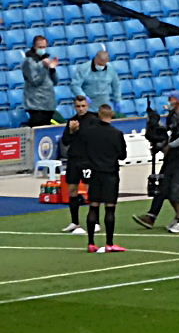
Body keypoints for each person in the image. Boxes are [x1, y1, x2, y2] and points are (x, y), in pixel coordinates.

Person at [132, 91, 179, 232]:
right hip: (173, 156)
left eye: (172, 98)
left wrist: (170, 145)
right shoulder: (172, 115)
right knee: (167, 186)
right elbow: (169, 133)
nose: (169, 100)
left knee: (177, 188)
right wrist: (160, 144)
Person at [80, 104, 128, 254]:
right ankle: (109, 243)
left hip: (95, 172)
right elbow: (122, 155)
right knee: (110, 208)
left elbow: (84, 151)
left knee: (93, 207)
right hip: (110, 173)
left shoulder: (89, 133)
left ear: (99, 115)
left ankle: (91, 243)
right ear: (111, 115)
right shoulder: (116, 133)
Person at [59, 95, 96, 235]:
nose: (81, 109)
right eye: (78, 106)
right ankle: (75, 222)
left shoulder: (93, 119)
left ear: (88, 106)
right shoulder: (72, 121)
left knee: (91, 190)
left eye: (83, 106)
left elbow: (94, 138)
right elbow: (65, 141)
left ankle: (95, 221)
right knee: (72, 189)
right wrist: (71, 131)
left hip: (88, 159)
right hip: (74, 159)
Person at [22, 35, 57, 127]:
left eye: (44, 47)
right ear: (34, 47)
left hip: (49, 104)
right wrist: (44, 67)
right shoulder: (29, 62)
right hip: (36, 105)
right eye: (40, 47)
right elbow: (35, 81)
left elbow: (55, 81)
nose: (42, 49)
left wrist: (52, 69)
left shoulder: (46, 60)